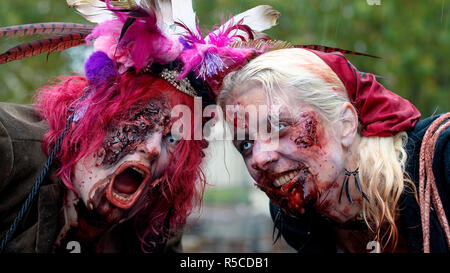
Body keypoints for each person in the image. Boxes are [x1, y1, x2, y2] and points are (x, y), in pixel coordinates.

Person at [0, 0, 279, 253]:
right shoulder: (8, 150)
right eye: (141, 119)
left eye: (174, 139)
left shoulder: (157, 220)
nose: (153, 147)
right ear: (93, 113)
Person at [217, 47, 450, 253]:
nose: (259, 158)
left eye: (279, 126)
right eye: (245, 145)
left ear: (345, 124)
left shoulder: (442, 159)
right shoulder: (294, 219)